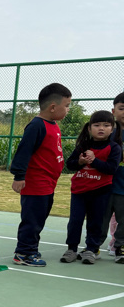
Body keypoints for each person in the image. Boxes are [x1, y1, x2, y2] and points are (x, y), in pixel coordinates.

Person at [9, 83, 71, 267]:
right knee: (32, 220)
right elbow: (24, 152)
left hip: (48, 184)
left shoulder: (53, 125)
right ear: (52, 107)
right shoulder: (36, 126)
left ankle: (31, 248)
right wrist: (19, 176)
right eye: (66, 105)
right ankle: (24, 253)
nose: (68, 110)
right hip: (36, 184)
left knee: (40, 219)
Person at [60, 111, 122, 264]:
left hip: (100, 191)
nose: (101, 128)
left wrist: (94, 161)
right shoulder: (83, 146)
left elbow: (111, 169)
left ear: (112, 129)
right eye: (97, 125)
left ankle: (91, 250)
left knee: (95, 222)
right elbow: (70, 164)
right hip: (79, 191)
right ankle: (71, 249)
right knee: (75, 221)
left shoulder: (114, 148)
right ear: (89, 128)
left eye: (106, 125)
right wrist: (80, 162)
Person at [104, 93, 124, 260]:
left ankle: (119, 245)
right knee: (105, 217)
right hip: (108, 185)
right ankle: (95, 246)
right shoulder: (108, 134)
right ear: (114, 111)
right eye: (122, 108)